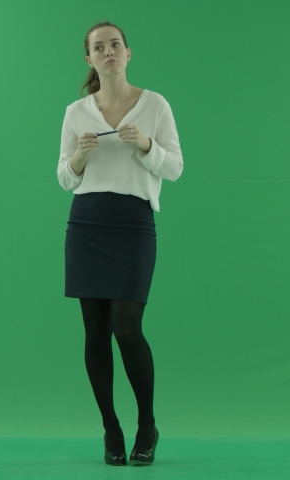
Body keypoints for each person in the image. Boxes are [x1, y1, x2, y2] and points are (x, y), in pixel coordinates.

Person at [56, 21, 183, 466]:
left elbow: (175, 168)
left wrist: (146, 144)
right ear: (89, 59)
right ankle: (111, 427)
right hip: (87, 223)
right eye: (98, 47)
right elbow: (64, 178)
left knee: (126, 327)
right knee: (94, 332)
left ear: (128, 53)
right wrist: (79, 155)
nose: (108, 51)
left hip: (133, 223)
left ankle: (146, 423)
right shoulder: (76, 112)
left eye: (115, 45)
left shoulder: (155, 105)